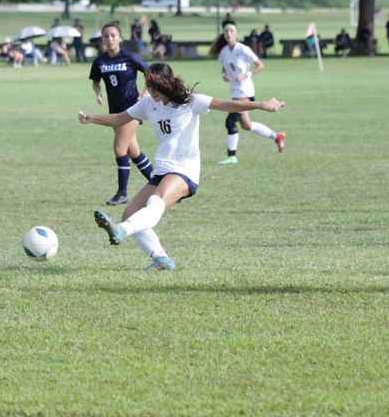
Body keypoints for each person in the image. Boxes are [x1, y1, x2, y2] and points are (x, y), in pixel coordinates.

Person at [80, 63, 285, 271]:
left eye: (153, 86)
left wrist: (261, 104)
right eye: (147, 85)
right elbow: (119, 118)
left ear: (165, 83)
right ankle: (161, 259)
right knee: (130, 214)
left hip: (185, 170)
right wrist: (91, 118)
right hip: (162, 169)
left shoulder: (190, 101)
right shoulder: (148, 104)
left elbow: (227, 105)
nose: (149, 90)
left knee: (155, 201)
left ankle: (121, 231)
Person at [89, 22, 157, 206]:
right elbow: (95, 81)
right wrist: (99, 92)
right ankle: (160, 185)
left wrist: (145, 94)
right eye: (106, 36)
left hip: (132, 109)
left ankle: (122, 193)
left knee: (120, 149)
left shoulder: (130, 57)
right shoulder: (100, 61)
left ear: (120, 38)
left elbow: (150, 74)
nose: (109, 39)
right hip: (114, 112)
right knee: (133, 152)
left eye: (113, 35)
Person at [208, 22, 286, 164]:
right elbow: (224, 69)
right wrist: (224, 76)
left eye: (231, 31)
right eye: (226, 31)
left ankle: (232, 156)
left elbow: (261, 65)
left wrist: (246, 74)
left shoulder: (243, 49)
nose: (228, 33)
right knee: (246, 125)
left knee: (230, 122)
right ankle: (277, 136)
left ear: (236, 34)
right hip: (235, 92)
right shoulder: (224, 51)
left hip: (245, 92)